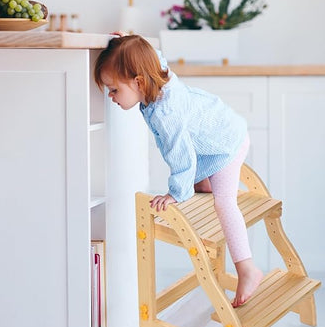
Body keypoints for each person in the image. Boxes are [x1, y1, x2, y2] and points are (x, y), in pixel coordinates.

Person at [94, 33, 263, 307]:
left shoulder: (166, 113)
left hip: (227, 143)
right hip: (214, 130)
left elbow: (181, 157)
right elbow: (153, 57)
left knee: (224, 203)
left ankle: (247, 269)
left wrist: (176, 193)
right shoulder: (156, 75)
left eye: (114, 89)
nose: (111, 96)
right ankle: (206, 184)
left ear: (138, 82)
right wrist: (126, 42)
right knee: (201, 187)